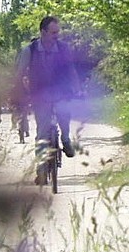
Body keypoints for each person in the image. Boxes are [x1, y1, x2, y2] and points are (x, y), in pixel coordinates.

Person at [15, 16, 81, 181]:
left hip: (61, 91)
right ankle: (42, 171)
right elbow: (19, 74)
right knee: (42, 132)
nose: (56, 35)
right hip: (39, 94)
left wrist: (77, 88)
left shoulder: (64, 48)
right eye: (53, 32)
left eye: (58, 32)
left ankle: (65, 139)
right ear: (42, 32)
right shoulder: (29, 51)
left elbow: (71, 70)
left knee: (64, 114)